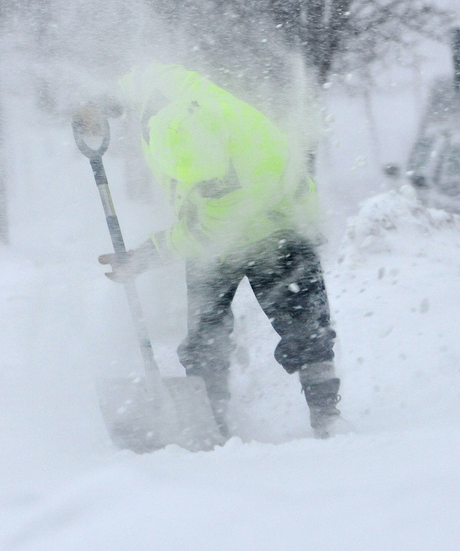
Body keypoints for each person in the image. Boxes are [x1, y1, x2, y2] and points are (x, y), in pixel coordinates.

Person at [98, 63, 341, 439]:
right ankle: (211, 422)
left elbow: (211, 231)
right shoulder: (177, 102)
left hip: (282, 229)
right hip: (231, 227)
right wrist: (103, 101)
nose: (192, 182)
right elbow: (143, 78)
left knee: (306, 328)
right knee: (205, 336)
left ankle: (327, 420)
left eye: (201, 180)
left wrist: (146, 255)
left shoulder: (234, 171)